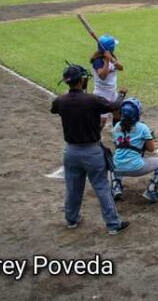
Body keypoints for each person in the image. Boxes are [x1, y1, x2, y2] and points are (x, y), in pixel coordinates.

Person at [50, 63, 129, 235]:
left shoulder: (60, 101)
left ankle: (71, 220)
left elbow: (54, 109)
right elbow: (114, 106)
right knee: (101, 187)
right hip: (92, 152)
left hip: (70, 152)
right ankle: (113, 224)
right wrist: (122, 94)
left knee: (73, 187)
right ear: (82, 80)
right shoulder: (93, 100)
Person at [110, 97, 158, 203]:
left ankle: (116, 187)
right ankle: (151, 191)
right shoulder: (143, 127)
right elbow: (151, 149)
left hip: (117, 168)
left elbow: (118, 146)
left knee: (115, 159)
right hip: (136, 167)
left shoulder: (116, 126)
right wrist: (149, 141)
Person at [90, 35, 125, 129]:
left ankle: (117, 134)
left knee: (118, 113)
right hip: (101, 95)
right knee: (102, 122)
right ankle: (95, 137)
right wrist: (106, 61)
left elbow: (121, 68)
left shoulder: (111, 57)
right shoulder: (98, 61)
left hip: (112, 92)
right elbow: (102, 76)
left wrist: (112, 60)